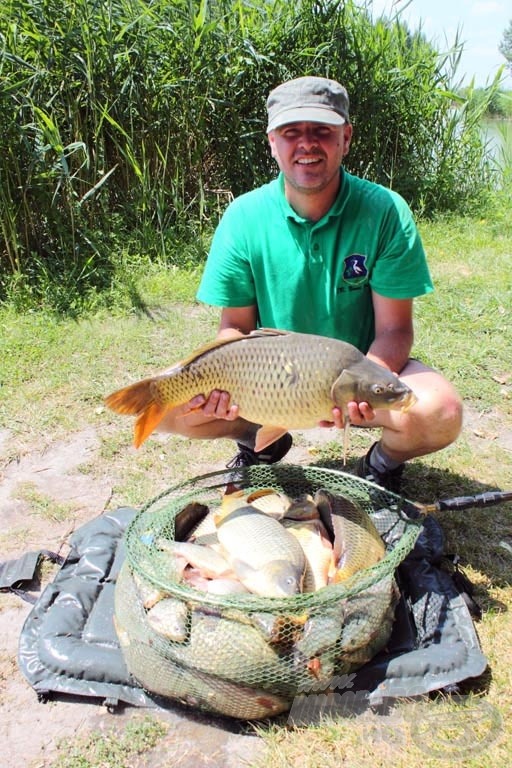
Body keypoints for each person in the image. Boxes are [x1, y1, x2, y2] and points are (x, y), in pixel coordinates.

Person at [159, 75, 463, 492]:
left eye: (322, 131)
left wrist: (364, 386)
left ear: (346, 137)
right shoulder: (243, 218)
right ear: (272, 142)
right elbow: (234, 327)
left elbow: (395, 331)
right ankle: (261, 444)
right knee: (165, 406)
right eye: (291, 132)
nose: (307, 144)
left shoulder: (385, 211)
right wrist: (222, 388)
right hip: (267, 382)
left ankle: (381, 464)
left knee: (439, 409)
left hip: (359, 373)